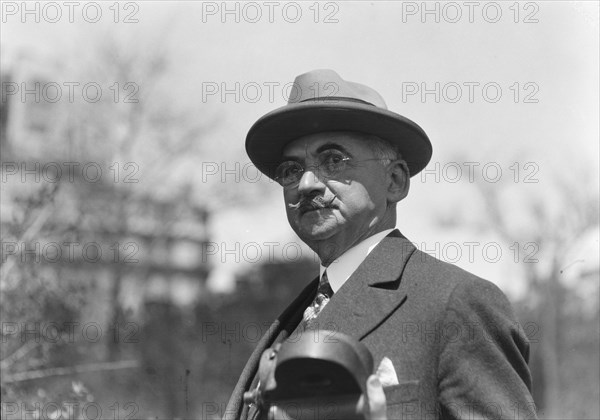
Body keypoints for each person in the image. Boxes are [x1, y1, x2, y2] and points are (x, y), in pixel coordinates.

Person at [224, 69, 537, 420]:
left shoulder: (456, 303)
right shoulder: (293, 321)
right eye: (291, 169)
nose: (307, 183)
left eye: (332, 160)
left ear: (395, 180)